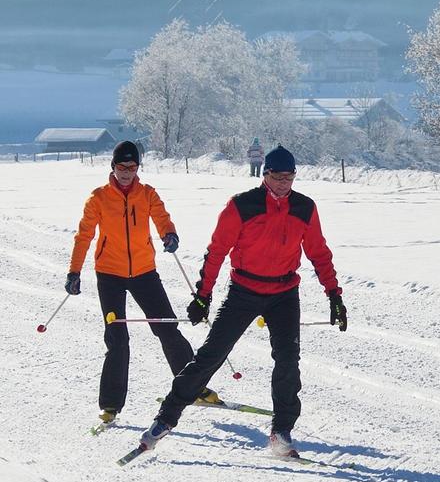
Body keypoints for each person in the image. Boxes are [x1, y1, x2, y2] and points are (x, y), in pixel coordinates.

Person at [138, 144, 347, 459]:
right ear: (265, 175)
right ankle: (165, 419)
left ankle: (281, 432)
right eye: (277, 177)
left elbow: (318, 252)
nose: (283, 184)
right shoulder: (241, 206)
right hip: (244, 291)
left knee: (288, 360)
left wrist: (334, 295)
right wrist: (202, 295)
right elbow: (217, 251)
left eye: (289, 178)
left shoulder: (305, 207)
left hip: (284, 293)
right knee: (211, 355)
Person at [65, 140, 219, 426]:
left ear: (138, 168)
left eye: (132, 167)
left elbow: (162, 218)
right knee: (117, 338)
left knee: (167, 328)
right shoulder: (98, 198)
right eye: (122, 167)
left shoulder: (146, 194)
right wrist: (74, 272)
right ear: (112, 167)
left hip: (144, 271)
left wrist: (169, 234)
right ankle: (110, 404)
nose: (126, 172)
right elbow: (84, 235)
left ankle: (193, 387)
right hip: (109, 274)